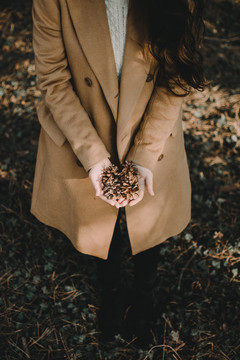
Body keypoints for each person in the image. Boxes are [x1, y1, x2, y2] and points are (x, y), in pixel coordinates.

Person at [31, 0, 206, 344]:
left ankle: (144, 294)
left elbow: (177, 77)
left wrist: (144, 154)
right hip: (82, 125)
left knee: (148, 215)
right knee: (98, 211)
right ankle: (111, 292)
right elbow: (53, 77)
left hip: (152, 126)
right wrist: (94, 158)